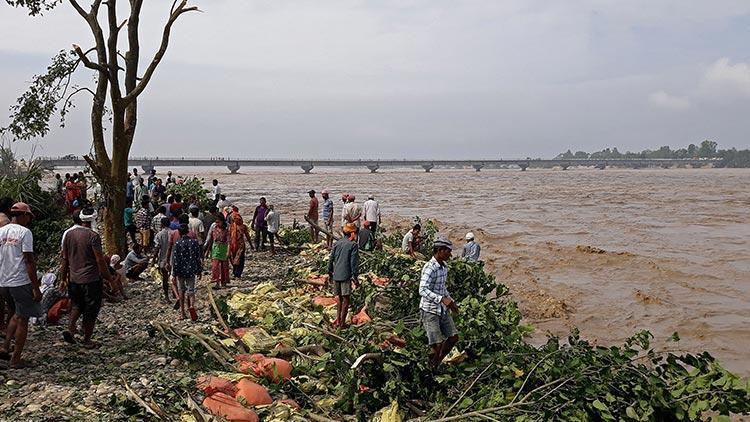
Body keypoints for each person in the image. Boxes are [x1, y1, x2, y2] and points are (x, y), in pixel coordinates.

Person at [60, 207, 113, 349]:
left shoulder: (69, 234)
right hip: (90, 279)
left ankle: (70, 329)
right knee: (91, 309)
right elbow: (99, 260)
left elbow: (64, 259)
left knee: (77, 305)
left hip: (74, 278)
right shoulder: (93, 236)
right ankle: (87, 339)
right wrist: (109, 278)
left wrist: (62, 278)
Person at [0, 203, 42, 368]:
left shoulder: (1, 231)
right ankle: (16, 358)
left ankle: (4, 347)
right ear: (24, 216)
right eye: (28, 217)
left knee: (16, 314)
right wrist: (35, 287)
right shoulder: (25, 233)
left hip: (3, 281)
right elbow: (29, 260)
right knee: (23, 319)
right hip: (20, 281)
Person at [419, 235, 459, 370]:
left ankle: (437, 361)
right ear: (440, 250)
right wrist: (442, 299)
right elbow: (422, 289)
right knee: (437, 344)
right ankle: (431, 369)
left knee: (453, 337)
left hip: (442, 309)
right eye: (448, 251)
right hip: (430, 310)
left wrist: (451, 301)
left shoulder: (444, 267)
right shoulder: (430, 267)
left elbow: (442, 288)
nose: (450, 254)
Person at [328, 223, 359, 329]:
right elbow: (353, 264)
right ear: (352, 233)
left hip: (336, 274)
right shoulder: (353, 245)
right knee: (346, 299)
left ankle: (338, 320)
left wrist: (330, 272)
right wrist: (355, 278)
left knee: (339, 299)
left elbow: (331, 259)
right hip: (345, 275)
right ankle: (341, 323)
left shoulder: (337, 243)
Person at [172, 224, 202, 320]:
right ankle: (192, 306)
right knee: (191, 290)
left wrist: (174, 273)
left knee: (181, 290)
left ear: (179, 233)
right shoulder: (194, 242)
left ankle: (182, 313)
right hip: (191, 269)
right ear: (188, 231)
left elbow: (175, 259)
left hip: (180, 270)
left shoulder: (177, 244)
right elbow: (197, 257)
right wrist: (199, 270)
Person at [205, 214, 230, 289]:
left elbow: (229, 241)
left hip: (224, 248)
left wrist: (228, 251)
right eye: (216, 222)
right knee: (215, 267)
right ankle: (216, 282)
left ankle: (224, 281)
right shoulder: (214, 228)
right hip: (215, 248)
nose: (217, 223)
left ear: (222, 221)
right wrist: (207, 250)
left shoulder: (226, 229)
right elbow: (211, 239)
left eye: (219, 222)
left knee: (224, 267)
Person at [152, 217, 172, 302]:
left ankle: (167, 296)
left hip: (163, 259)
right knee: (175, 277)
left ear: (162, 224)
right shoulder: (173, 233)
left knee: (165, 278)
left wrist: (153, 259)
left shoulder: (159, 235)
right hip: (173, 259)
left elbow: (157, 248)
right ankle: (176, 294)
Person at [228, 211, 253, 279]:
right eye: (235, 219)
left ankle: (238, 273)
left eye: (237, 219)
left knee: (240, 259)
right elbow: (229, 236)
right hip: (232, 245)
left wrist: (251, 245)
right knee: (233, 259)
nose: (236, 220)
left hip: (240, 246)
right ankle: (235, 272)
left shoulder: (243, 226)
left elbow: (247, 236)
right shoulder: (231, 227)